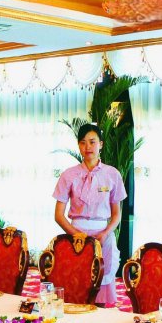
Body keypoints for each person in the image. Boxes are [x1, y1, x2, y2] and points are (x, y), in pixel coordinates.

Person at [53, 124, 126, 307]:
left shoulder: (112, 174)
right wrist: (76, 234)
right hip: (76, 235)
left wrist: (106, 232)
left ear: (101, 144)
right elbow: (59, 215)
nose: (88, 147)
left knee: (103, 283)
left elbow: (116, 214)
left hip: (103, 235)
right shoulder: (68, 175)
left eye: (92, 142)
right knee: (76, 287)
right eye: (83, 142)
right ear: (79, 146)